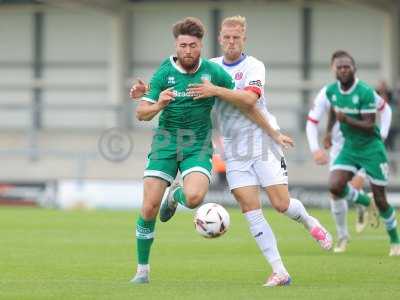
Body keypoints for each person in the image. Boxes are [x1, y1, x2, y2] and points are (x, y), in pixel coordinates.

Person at [131, 16, 333, 287]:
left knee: (280, 204)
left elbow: (249, 102)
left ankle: (309, 222)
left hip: (251, 143)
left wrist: (273, 132)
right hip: (217, 148)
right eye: (226, 37)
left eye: (236, 37)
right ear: (218, 40)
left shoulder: (238, 69)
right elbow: (154, 99)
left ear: (242, 39)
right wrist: (150, 95)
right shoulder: (193, 67)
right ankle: (279, 271)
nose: (230, 42)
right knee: (247, 208)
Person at [306, 54, 392, 253]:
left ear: (353, 68)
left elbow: (384, 109)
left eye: (346, 66)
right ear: (333, 68)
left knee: (355, 185)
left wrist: (384, 135)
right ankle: (344, 235)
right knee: (335, 191)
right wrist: (318, 145)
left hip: (366, 145)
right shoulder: (328, 92)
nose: (342, 70)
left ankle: (367, 205)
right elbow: (317, 120)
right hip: (341, 147)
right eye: (338, 66)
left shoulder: (363, 92)